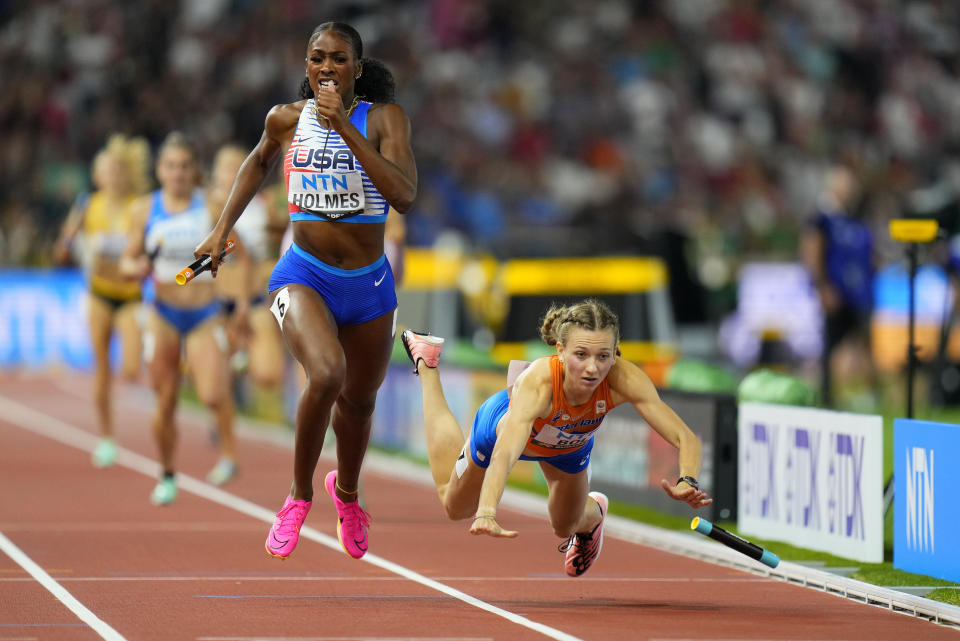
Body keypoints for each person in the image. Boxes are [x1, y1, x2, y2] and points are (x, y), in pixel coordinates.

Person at [193, 21, 416, 560]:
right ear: (306, 64)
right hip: (304, 273)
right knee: (327, 373)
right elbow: (258, 161)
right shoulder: (286, 119)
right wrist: (222, 229)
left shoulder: (384, 119)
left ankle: (348, 494)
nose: (326, 68)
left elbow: (404, 195)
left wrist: (346, 129)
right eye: (317, 58)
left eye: (339, 59)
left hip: (368, 283)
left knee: (359, 405)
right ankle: (297, 496)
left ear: (356, 69)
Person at [399, 299, 712, 577]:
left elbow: (686, 437)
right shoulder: (540, 382)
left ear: (614, 354)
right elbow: (506, 454)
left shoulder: (623, 379)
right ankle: (427, 364)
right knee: (455, 507)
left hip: (569, 447)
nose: (593, 368)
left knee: (564, 525)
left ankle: (593, 516)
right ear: (560, 351)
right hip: (500, 434)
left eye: (603, 356)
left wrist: (688, 479)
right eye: (581, 354)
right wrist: (487, 511)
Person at [120, 132, 248, 505]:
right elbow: (128, 259)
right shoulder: (144, 209)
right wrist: (137, 266)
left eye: (185, 166)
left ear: (195, 172)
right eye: (171, 166)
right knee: (166, 401)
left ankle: (227, 455)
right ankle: (167, 473)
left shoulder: (211, 205)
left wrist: (239, 301)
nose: (178, 173)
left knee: (211, 393)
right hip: (162, 313)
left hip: (205, 313)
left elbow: (237, 249)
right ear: (161, 170)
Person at [53, 134, 151, 468]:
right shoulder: (86, 205)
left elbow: (148, 245)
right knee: (101, 371)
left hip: (130, 296)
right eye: (106, 171)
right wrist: (67, 246)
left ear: (126, 174)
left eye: (118, 170)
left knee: (131, 367)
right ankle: (107, 439)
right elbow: (62, 248)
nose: (112, 176)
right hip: (98, 293)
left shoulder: (138, 206)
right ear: (98, 175)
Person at [207, 144, 288, 417]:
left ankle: (239, 367)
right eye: (227, 167)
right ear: (215, 173)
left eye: (239, 167)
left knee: (269, 375)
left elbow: (281, 251)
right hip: (213, 300)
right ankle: (228, 373)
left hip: (254, 295)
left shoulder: (265, 206)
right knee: (212, 381)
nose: (233, 173)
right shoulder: (200, 206)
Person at [800, 164, 877, 408]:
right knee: (832, 346)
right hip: (836, 291)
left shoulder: (854, 219)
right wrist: (822, 286)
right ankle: (826, 395)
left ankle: (865, 394)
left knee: (862, 342)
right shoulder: (822, 218)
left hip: (858, 292)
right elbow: (812, 251)